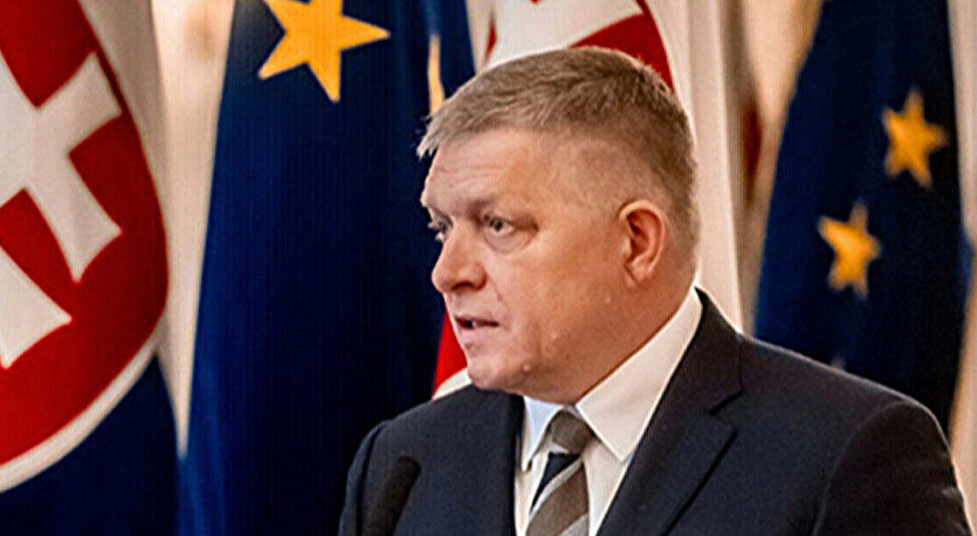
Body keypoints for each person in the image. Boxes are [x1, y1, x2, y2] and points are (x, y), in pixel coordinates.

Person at [338, 48, 970, 535]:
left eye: (497, 225)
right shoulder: (404, 464)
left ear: (637, 241)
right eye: (442, 228)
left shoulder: (847, 455)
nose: (448, 272)